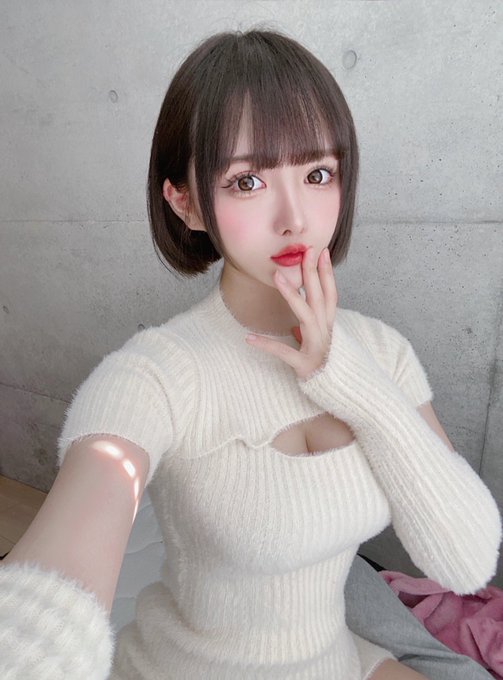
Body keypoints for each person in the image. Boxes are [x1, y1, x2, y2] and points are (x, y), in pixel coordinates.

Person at [1, 29, 500, 680]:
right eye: (247, 181)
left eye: (317, 174)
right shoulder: (157, 372)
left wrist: (352, 381)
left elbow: (465, 563)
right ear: (185, 203)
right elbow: (44, 612)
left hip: (335, 661)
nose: (295, 217)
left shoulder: (383, 351)